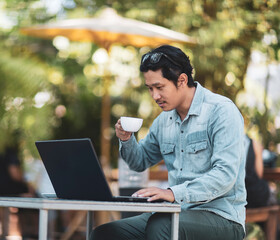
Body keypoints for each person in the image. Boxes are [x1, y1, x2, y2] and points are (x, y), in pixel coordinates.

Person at [90, 45, 246, 240]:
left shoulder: (221, 111)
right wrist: (126, 139)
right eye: (150, 89)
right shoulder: (164, 121)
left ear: (182, 80)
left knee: (162, 226)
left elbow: (225, 175)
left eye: (159, 87)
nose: (155, 96)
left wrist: (173, 192)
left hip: (222, 217)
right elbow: (139, 162)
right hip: (175, 213)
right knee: (106, 233)